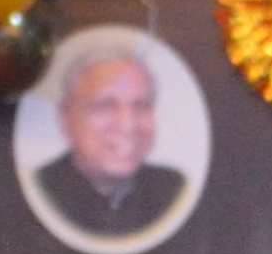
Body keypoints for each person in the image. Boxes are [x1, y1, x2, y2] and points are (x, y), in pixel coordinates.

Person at [28, 40, 188, 241]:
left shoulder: (172, 190)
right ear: (66, 117)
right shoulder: (42, 189)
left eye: (141, 105)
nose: (128, 125)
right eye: (105, 106)